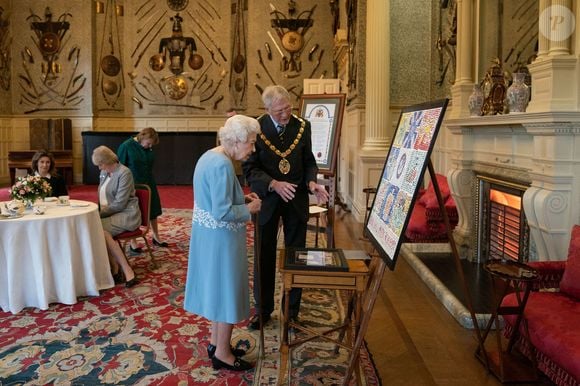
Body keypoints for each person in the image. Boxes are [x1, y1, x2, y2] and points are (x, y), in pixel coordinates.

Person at [243, 85, 329, 330]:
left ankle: (291, 311)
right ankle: (263, 310)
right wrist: (273, 184)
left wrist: (312, 182)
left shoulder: (303, 126)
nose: (285, 114)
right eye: (279, 110)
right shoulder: (256, 129)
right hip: (267, 201)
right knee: (264, 255)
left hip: (297, 200)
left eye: (288, 108)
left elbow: (309, 161)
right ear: (267, 108)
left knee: (296, 256)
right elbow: (250, 170)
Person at [184, 115, 261, 371]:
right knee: (226, 294)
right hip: (222, 241)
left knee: (218, 292)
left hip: (210, 239)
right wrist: (251, 209)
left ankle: (217, 344)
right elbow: (221, 212)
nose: (253, 148)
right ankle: (224, 354)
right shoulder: (222, 165)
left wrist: (242, 199)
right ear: (237, 140)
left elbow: (215, 199)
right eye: (251, 142)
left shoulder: (211, 155)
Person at [92, 145, 140, 288]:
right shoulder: (105, 173)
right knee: (97, 229)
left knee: (97, 229)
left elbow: (120, 204)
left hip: (127, 214)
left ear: (107, 161)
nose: (99, 168)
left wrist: (98, 214)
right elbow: (102, 197)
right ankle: (116, 267)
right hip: (110, 214)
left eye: (100, 164)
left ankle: (124, 269)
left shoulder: (125, 173)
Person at [117, 127, 168, 251]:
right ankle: (133, 242)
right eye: (149, 143)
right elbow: (119, 167)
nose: (149, 146)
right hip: (132, 184)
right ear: (142, 137)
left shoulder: (148, 147)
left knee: (153, 209)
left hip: (149, 182)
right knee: (133, 211)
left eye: (151, 144)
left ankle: (156, 237)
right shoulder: (126, 146)